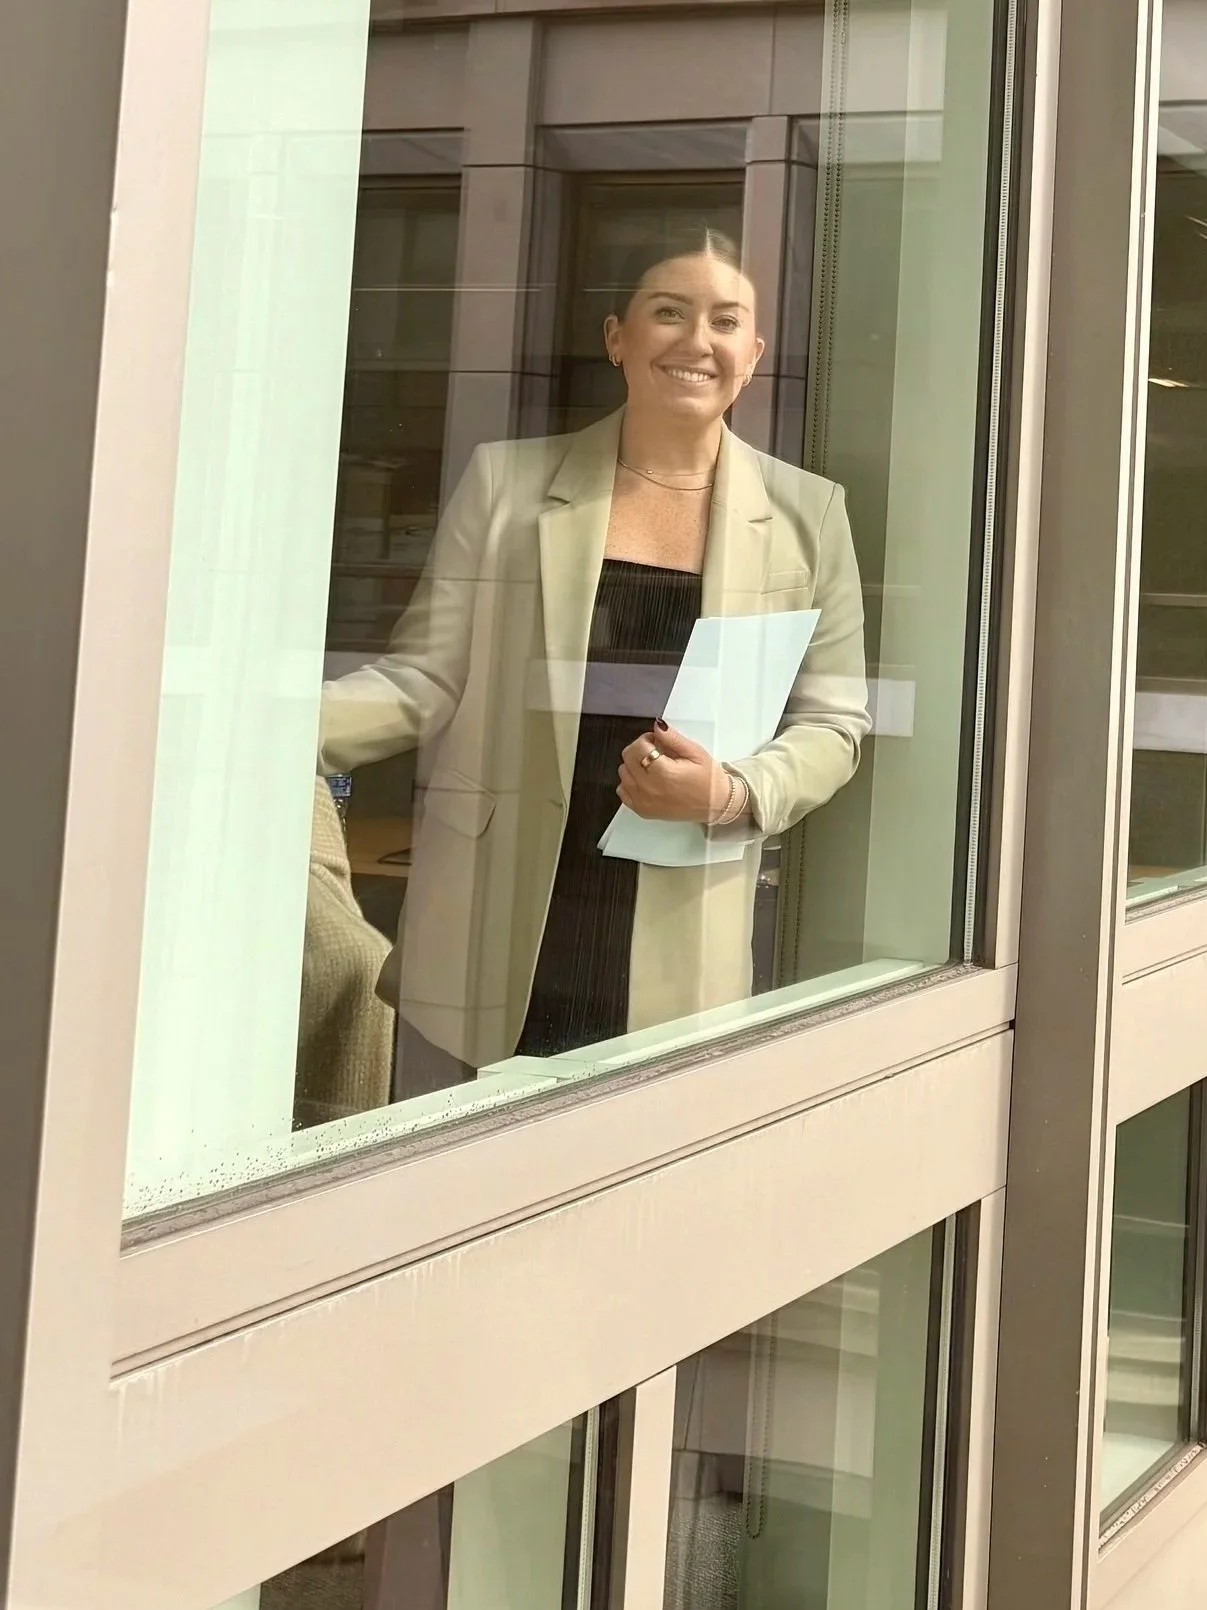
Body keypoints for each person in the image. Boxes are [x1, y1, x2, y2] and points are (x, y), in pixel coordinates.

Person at [318, 236, 868, 1079]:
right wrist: (271, 732)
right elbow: (424, 676)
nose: (697, 340)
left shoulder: (809, 514)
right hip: (507, 895)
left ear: (752, 356)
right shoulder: (506, 483)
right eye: (668, 312)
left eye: (726, 322)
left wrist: (733, 792)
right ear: (618, 336)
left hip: (682, 888)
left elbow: (834, 720)